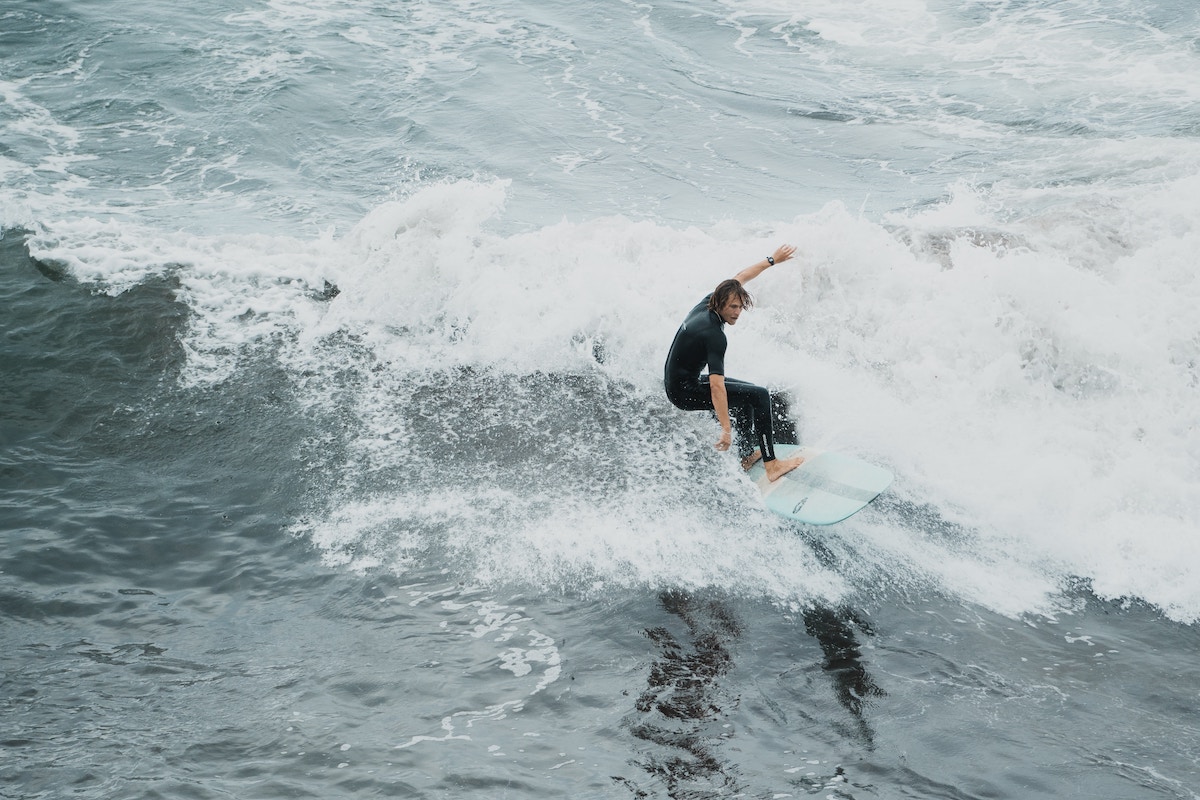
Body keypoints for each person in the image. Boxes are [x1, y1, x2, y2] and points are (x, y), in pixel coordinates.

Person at [664, 244, 805, 482]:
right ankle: (772, 466)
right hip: (683, 392)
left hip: (682, 381)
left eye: (740, 306)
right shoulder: (714, 335)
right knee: (760, 395)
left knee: (748, 395)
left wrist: (772, 260)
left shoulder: (708, 302)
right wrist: (726, 430)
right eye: (733, 307)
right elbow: (717, 387)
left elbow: (741, 276)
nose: (737, 312)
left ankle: (748, 455)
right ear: (720, 303)